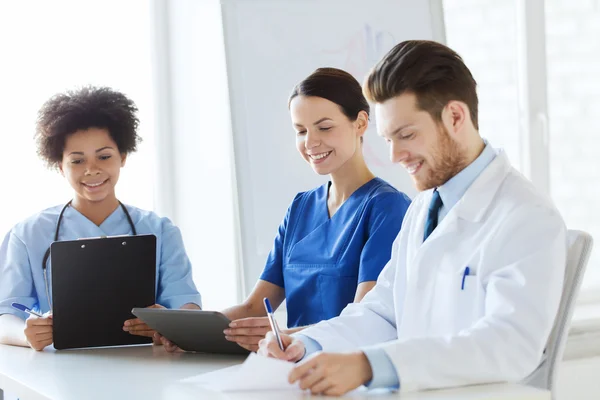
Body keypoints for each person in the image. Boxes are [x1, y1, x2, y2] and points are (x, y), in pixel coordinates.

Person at [258, 40, 567, 396]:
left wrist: (370, 365)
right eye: (388, 138)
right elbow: (382, 312)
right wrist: (308, 343)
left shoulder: (526, 216)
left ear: (455, 117)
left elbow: (509, 345)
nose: (395, 155)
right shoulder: (423, 209)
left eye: (406, 135)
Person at [211, 68, 411, 353]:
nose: (311, 142)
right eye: (301, 131)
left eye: (325, 127)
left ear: (361, 123)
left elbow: (366, 321)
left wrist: (287, 337)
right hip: (291, 366)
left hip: (348, 372)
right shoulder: (300, 208)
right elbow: (252, 307)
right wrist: (183, 329)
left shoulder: (387, 208)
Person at [0, 86, 202, 351]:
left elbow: (185, 303)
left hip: (145, 367)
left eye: (104, 156)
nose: (92, 170)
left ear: (123, 157)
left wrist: (170, 323)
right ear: (60, 165)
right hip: (59, 371)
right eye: (77, 161)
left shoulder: (160, 230)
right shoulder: (27, 234)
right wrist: (26, 335)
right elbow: (6, 316)